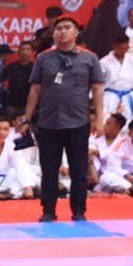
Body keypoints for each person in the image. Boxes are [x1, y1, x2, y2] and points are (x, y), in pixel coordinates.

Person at [25, 16, 104, 222]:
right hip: (48, 122)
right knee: (49, 170)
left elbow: (97, 89)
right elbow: (35, 90)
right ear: (54, 33)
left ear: (76, 33)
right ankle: (48, 210)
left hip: (79, 122)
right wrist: (27, 118)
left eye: (67, 27)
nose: (62, 31)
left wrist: (99, 118)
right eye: (58, 28)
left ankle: (79, 211)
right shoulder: (43, 58)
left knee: (79, 171)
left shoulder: (90, 58)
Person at [100, 34, 133, 122]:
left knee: (130, 121)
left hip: (129, 95)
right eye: (121, 48)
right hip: (110, 97)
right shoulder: (104, 62)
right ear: (114, 46)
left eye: (126, 48)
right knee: (108, 121)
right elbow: (98, 83)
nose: (124, 51)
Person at [1, 40, 35, 119]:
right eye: (22, 49)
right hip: (12, 104)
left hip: (29, 104)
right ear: (19, 52)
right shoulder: (11, 67)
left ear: (32, 52)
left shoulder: (35, 68)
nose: (25, 52)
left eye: (27, 49)